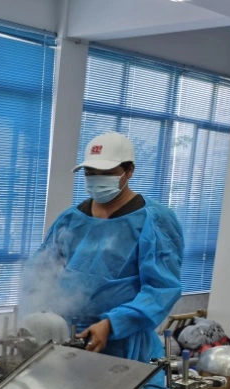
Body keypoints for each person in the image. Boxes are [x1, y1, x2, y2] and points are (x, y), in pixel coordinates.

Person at [21, 132, 183, 364]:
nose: (97, 179)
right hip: (64, 338)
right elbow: (39, 274)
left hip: (122, 345)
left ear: (129, 171)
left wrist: (112, 324)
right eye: (90, 173)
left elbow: (161, 289)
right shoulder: (70, 219)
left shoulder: (154, 221)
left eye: (106, 173)